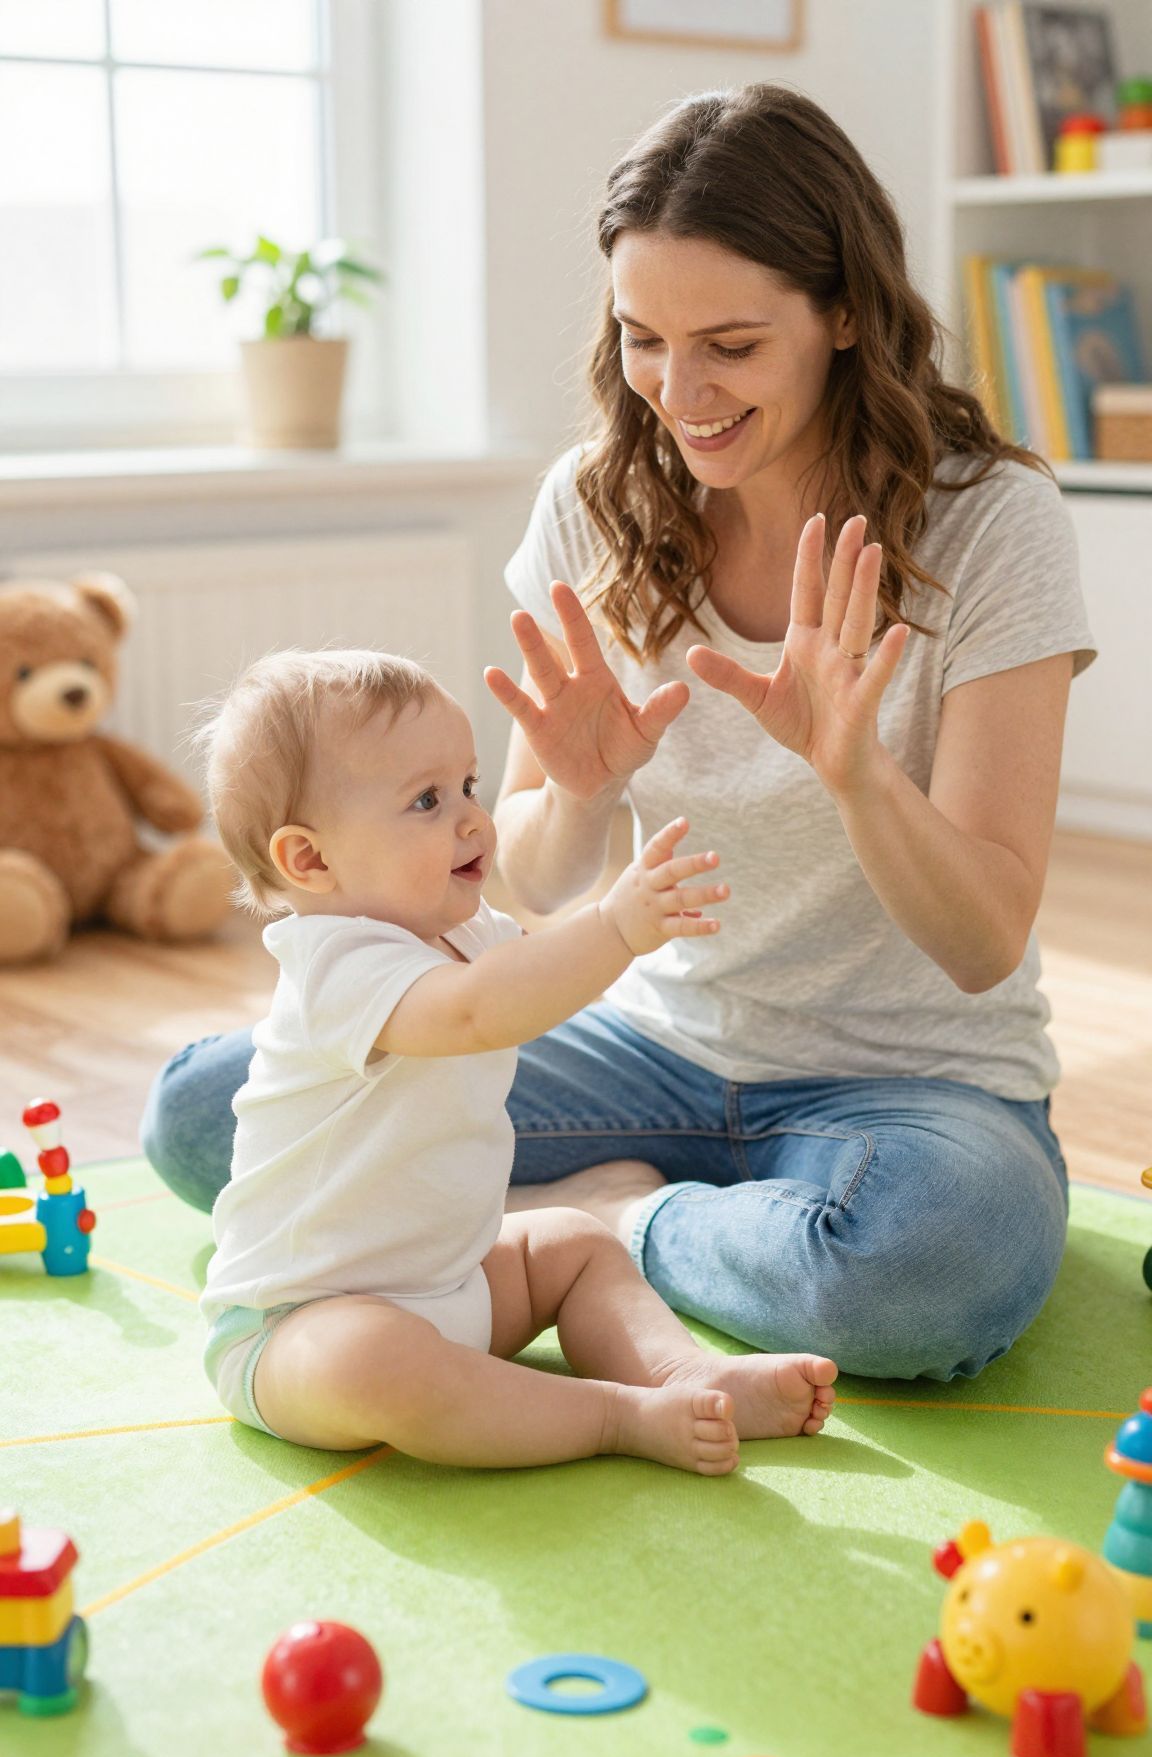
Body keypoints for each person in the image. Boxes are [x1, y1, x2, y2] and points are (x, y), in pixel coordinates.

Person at [143, 84, 1096, 1383]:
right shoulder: (596, 507)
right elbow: (532, 883)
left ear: (846, 314)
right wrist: (583, 796)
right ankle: (643, 1229)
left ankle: (607, 1227)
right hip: (639, 1042)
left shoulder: (993, 522)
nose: (679, 391)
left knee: (932, 1270)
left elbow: (985, 943)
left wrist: (858, 776)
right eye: (643, 337)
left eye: (732, 344)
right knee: (206, 1114)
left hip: (908, 1087)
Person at [194, 648, 837, 1465]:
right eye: (426, 800)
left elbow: (527, 979)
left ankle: (685, 1373)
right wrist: (615, 927)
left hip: (454, 1288)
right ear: (311, 861)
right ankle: (613, 1416)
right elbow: (474, 1013)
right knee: (378, 1361)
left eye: (469, 785)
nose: (473, 819)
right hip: (302, 1329)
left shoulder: (465, 933)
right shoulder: (335, 965)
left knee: (570, 1243)